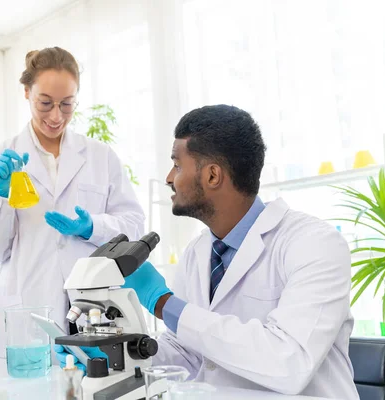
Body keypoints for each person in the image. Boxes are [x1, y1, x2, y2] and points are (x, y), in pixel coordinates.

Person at [57, 105, 359, 399]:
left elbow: (289, 362)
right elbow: (188, 356)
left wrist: (163, 304)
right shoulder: (198, 252)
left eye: (177, 164)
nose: (168, 178)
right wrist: (114, 352)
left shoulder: (313, 244)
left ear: (212, 176)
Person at [0, 47, 144, 358]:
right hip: (29, 312)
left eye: (67, 105)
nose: (55, 116)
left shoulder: (101, 157)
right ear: (26, 92)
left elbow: (134, 225)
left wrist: (94, 226)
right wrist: (2, 196)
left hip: (95, 310)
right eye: (45, 103)